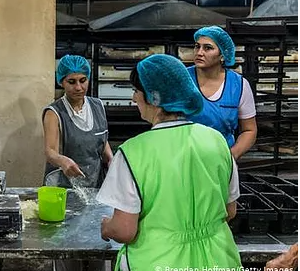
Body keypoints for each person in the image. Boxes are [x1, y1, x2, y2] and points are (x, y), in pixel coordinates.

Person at [97, 54, 241, 270]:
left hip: (157, 262)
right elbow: (230, 211)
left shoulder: (132, 153)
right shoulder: (217, 141)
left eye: (136, 92)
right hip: (218, 259)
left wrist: (107, 227)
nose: (134, 99)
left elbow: (124, 231)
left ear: (153, 99)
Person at [42, 54, 113, 188]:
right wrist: (62, 161)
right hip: (63, 186)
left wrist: (111, 161)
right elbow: (50, 151)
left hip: (94, 184)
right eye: (72, 82)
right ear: (61, 82)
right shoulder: (54, 112)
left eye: (83, 80)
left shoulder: (98, 106)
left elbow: (101, 138)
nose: (79, 87)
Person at [187, 26, 257, 160]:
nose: (199, 52)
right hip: (185, 158)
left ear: (223, 55)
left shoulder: (239, 86)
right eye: (197, 46)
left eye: (208, 48)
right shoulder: (182, 80)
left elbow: (249, 130)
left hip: (221, 158)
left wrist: (231, 156)